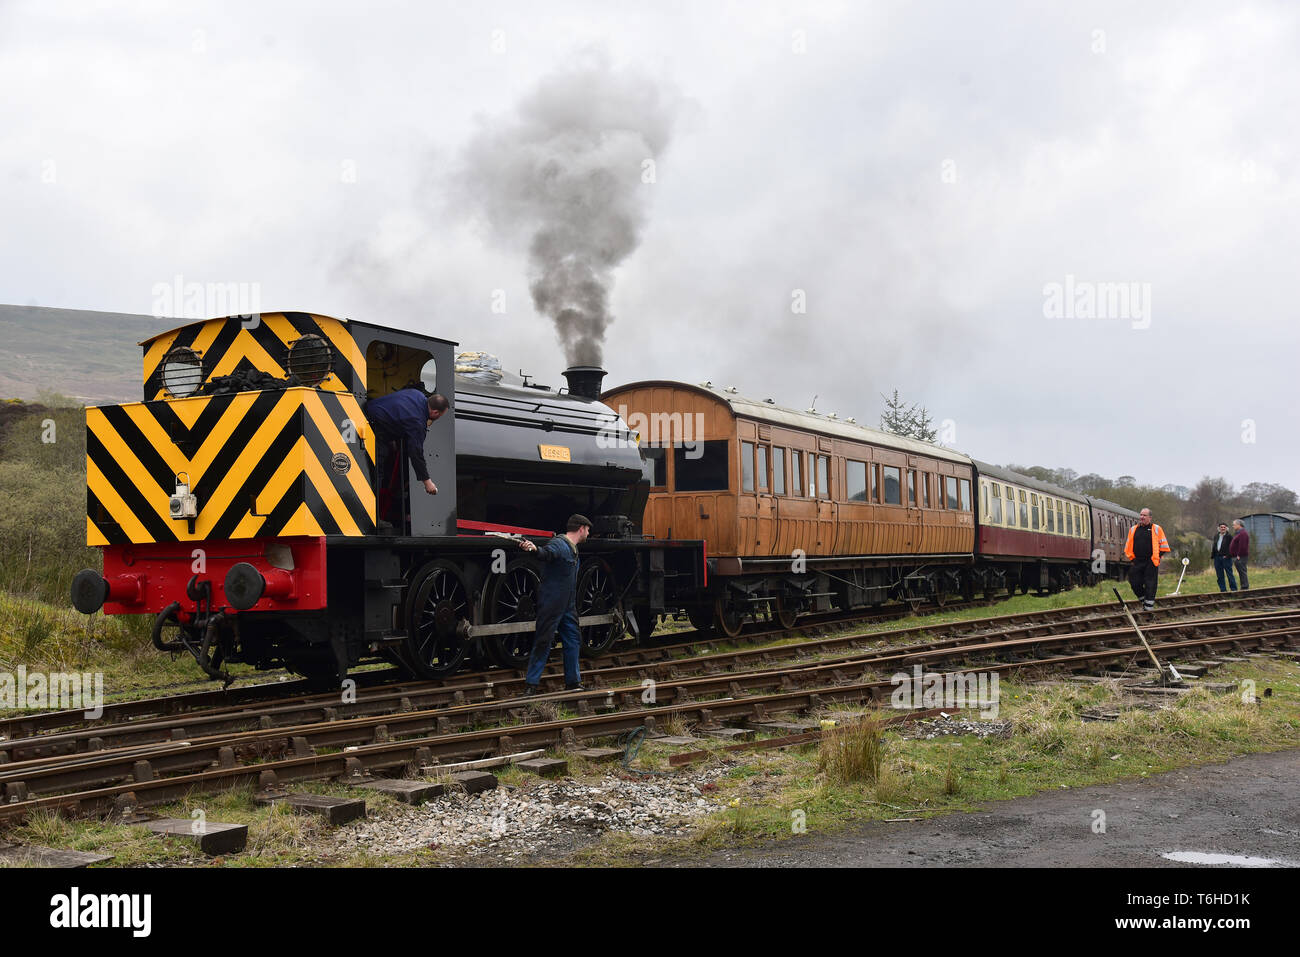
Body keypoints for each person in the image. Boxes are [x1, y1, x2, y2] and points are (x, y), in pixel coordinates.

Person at [517, 514, 592, 694]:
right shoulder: (560, 544)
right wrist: (535, 549)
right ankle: (531, 685)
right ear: (581, 528)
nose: (589, 534)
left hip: (568, 605)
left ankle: (573, 682)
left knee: (574, 639)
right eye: (588, 530)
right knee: (543, 641)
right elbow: (547, 553)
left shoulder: (573, 549)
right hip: (551, 604)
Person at [364, 390, 448, 528]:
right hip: (373, 428)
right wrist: (428, 483)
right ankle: (372, 519)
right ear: (435, 413)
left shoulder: (417, 394)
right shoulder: (417, 422)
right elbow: (415, 454)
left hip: (367, 412)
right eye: (441, 416)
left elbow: (397, 412)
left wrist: (392, 437)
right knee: (376, 474)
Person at [1123, 507, 1171, 611]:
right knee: (1134, 582)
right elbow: (1128, 546)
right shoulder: (1133, 529)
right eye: (1141, 515)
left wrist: (1156, 558)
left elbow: (1164, 546)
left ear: (1150, 517)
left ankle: (1149, 608)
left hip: (1151, 561)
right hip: (1137, 561)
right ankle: (1144, 601)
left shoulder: (1157, 529)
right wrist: (1133, 559)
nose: (1142, 517)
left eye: (1144, 515)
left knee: (1150, 584)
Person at [1210, 522, 1237, 592]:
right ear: (1219, 528)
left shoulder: (1229, 537)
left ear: (1226, 528)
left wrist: (1228, 555)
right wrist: (1213, 555)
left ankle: (1234, 589)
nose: (1223, 528)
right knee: (1219, 575)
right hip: (1217, 558)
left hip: (1226, 558)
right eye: (1221, 527)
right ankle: (1223, 590)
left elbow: (1233, 547)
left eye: (1224, 527)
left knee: (1229, 574)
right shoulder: (1216, 536)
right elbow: (1214, 546)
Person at [1229, 519, 1250, 590]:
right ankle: (1244, 586)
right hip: (1238, 556)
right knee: (1241, 571)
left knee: (1242, 571)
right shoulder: (1239, 533)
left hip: (1241, 556)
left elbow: (1243, 546)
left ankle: (1245, 587)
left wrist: (1239, 555)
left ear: (1239, 525)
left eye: (1234, 525)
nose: (1233, 526)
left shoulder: (1243, 533)